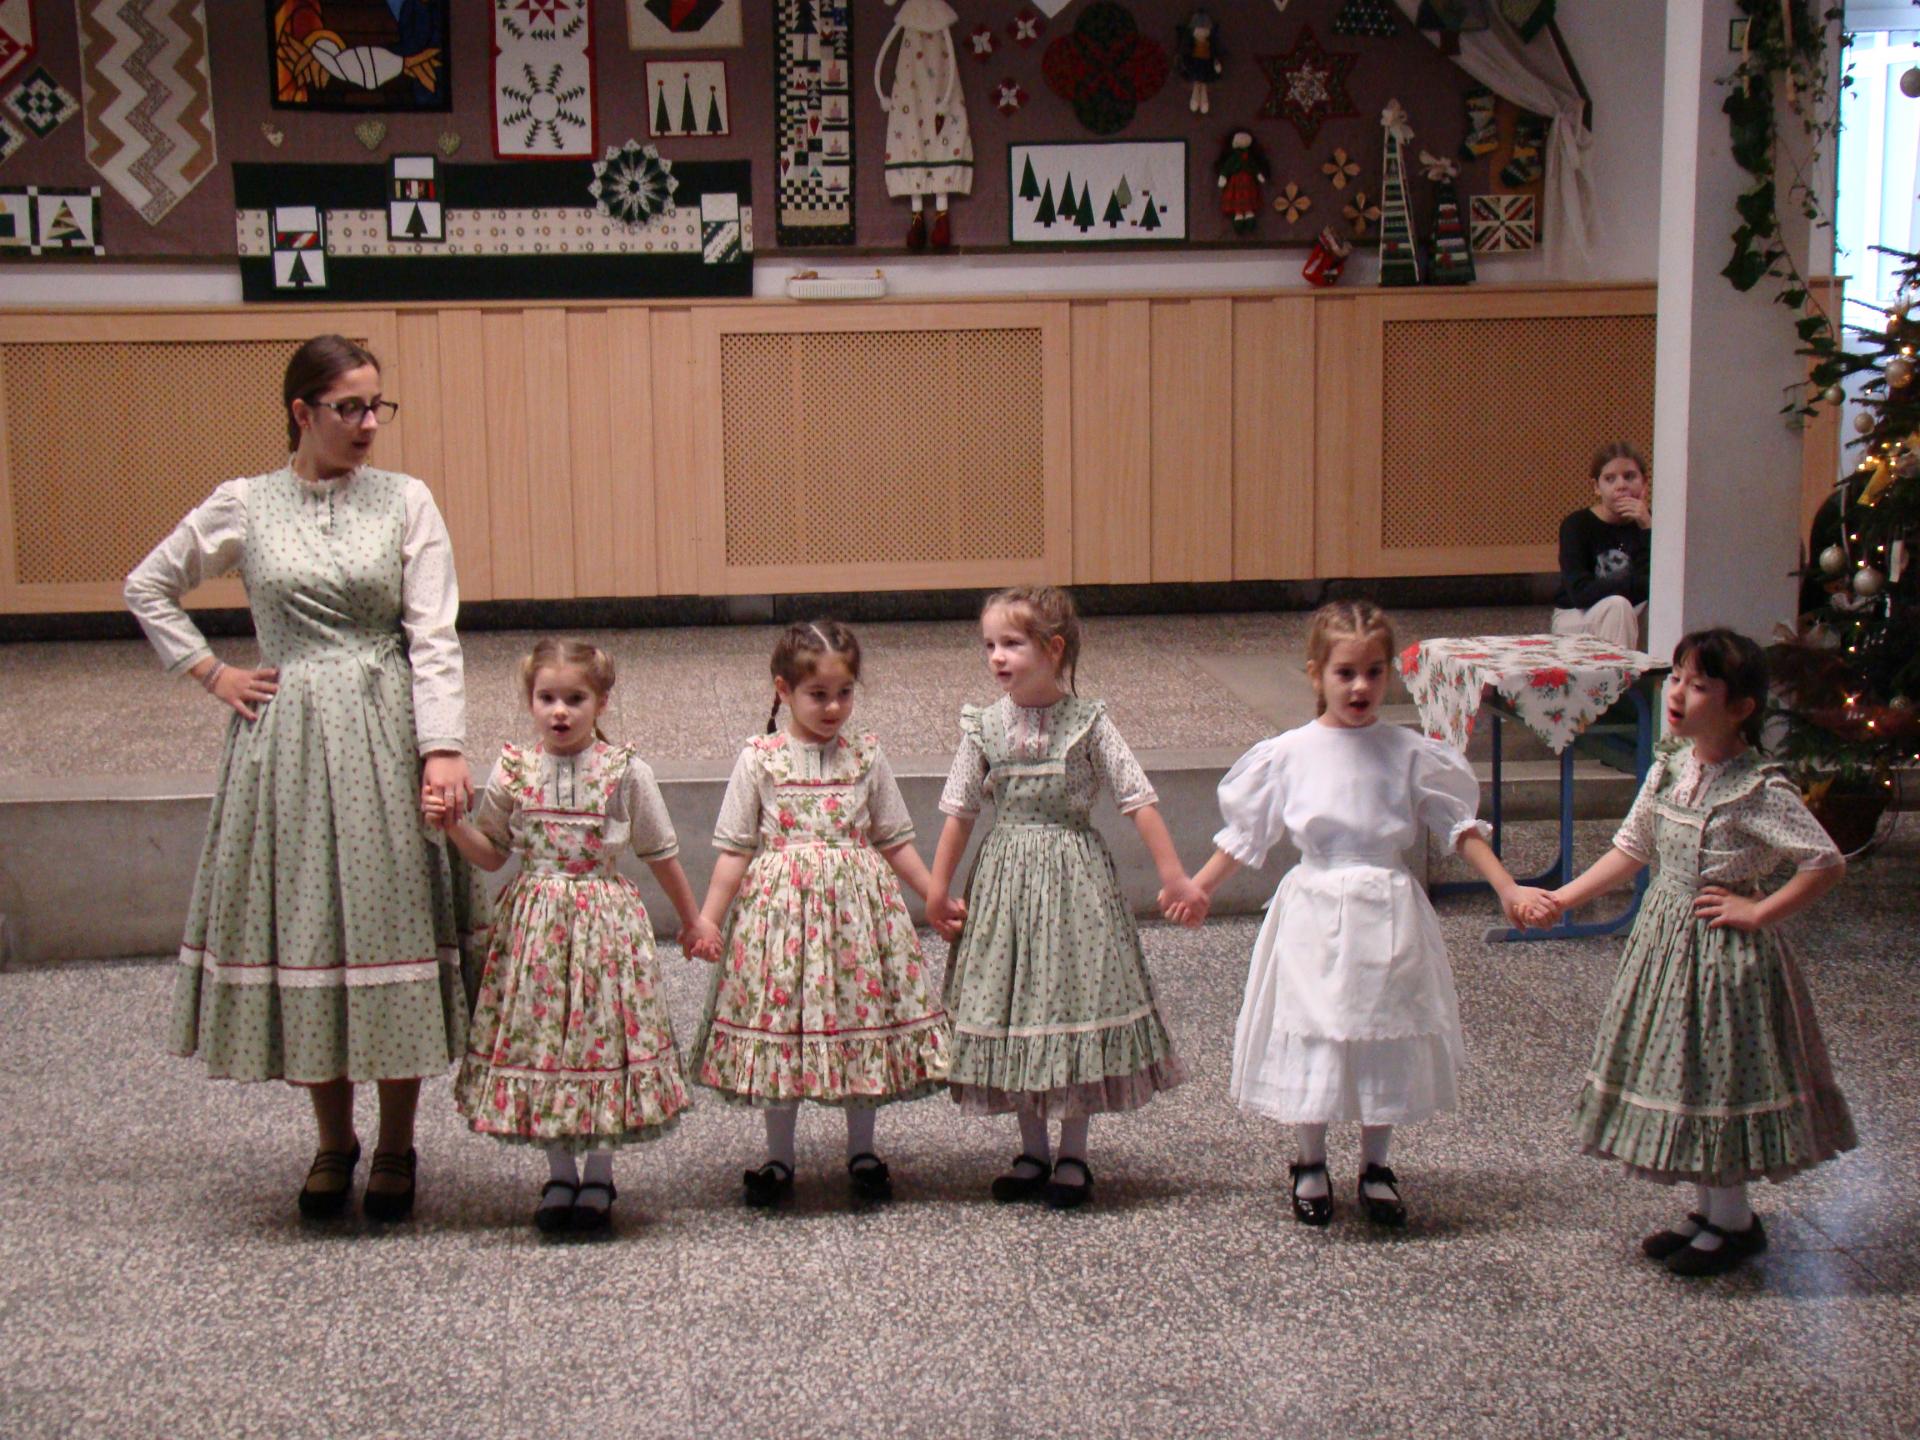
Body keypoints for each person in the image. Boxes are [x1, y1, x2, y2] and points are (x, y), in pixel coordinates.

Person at [123, 333, 485, 1222]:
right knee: (311, 924)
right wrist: (211, 672)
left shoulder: (405, 499)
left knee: (393, 918)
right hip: (286, 743)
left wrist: (442, 745)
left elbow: (432, 632)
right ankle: (333, 1140)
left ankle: (396, 1142)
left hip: (384, 725)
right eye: (348, 408)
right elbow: (148, 585)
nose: (367, 424)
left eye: (376, 406)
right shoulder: (245, 503)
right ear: (301, 412)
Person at [1167, 602, 1551, 1227]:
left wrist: (1507, 887)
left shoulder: (1409, 752)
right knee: (1315, 1026)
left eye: (1374, 672)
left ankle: (1377, 1164)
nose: (1360, 687)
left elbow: (1458, 827)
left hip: (1386, 908)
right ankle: (1310, 1159)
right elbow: (1247, 834)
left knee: (1383, 1029)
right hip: (1315, 906)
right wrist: (1201, 887)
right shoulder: (1289, 753)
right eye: (1345, 673)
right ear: (1316, 674)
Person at [1525, 629, 1854, 1276]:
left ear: (1740, 708)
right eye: (1676, 677)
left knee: (1717, 1077)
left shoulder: (1757, 788)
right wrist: (1563, 898)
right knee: (1684, 1070)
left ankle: (1734, 1221)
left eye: (1699, 685)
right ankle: (1712, 1212)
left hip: (1723, 958)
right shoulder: (1671, 767)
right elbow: (1633, 847)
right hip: (1665, 947)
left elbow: (1825, 861)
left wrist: (1757, 910)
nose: (1677, 692)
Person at [427, 639, 717, 1234]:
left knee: (600, 1039)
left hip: (603, 926)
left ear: (601, 702)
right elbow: (491, 854)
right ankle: (559, 1172)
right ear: (530, 701)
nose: (559, 711)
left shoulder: (624, 771)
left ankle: (600, 1173)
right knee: (544, 1043)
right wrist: (454, 826)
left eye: (575, 699)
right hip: (535, 930)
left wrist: (693, 920)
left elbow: (660, 853)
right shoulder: (515, 770)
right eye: (547, 698)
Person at [927, 587, 1201, 1211]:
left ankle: (1073, 1153)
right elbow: (959, 811)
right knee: (1016, 1006)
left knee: (1073, 1001)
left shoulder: (1089, 723)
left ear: (1053, 649)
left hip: (1073, 882)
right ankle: (1032, 1150)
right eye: (989, 644)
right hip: (1004, 885)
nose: (996, 657)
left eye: (1011, 643)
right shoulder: (983, 726)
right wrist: (937, 890)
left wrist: (1174, 875)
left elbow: (1137, 798)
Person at [688, 621, 953, 1208]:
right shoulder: (760, 759)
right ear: (783, 690)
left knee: (859, 1016)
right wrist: (707, 919)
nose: (834, 707)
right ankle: (778, 1157)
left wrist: (933, 895)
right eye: (818, 694)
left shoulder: (865, 755)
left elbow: (894, 839)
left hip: (856, 921)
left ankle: (863, 1150)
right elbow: (734, 850)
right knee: (783, 1027)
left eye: (845, 692)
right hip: (779, 923)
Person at [1553, 442, 1652, 650]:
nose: (1621, 486)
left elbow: (1661, 584)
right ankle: (1619, 671)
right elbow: (1581, 592)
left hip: (1632, 609)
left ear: (1644, 483)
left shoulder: (1651, 523)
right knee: (1618, 606)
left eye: (1629, 477)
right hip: (1579, 614)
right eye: (1610, 479)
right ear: (1596, 487)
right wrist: (1637, 586)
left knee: (1660, 607)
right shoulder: (1577, 525)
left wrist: (1647, 529)